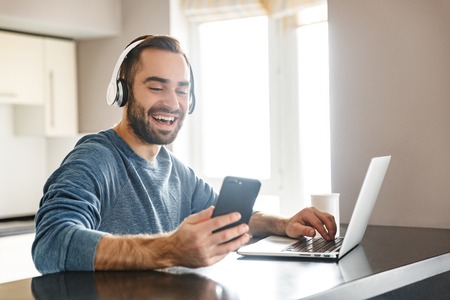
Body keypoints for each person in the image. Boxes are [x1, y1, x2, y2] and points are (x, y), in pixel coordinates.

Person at [32, 35, 336, 274]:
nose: (172, 103)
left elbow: (227, 218)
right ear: (122, 92)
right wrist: (169, 249)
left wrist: (283, 224)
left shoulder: (175, 169)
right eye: (156, 87)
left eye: (181, 90)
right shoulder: (95, 159)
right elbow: (51, 244)